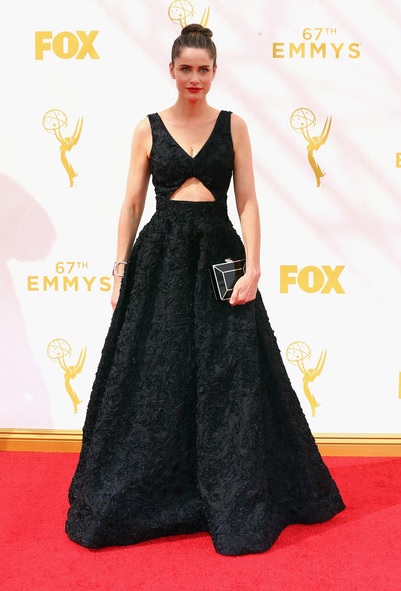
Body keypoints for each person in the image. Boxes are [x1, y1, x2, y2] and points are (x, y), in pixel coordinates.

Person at [66, 24, 345, 556]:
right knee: (156, 372)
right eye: (186, 69)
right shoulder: (147, 128)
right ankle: (161, 490)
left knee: (232, 375)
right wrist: (120, 269)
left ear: (215, 72)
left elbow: (248, 201)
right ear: (171, 70)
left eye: (203, 69)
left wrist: (254, 267)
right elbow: (131, 203)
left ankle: (236, 489)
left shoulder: (234, 125)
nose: (194, 78)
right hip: (161, 256)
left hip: (220, 253)